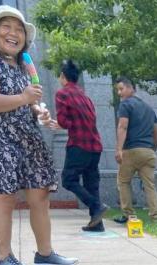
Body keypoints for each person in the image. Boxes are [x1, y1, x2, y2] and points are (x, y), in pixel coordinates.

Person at [0, 6, 78, 265]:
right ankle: (5, 257)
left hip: (28, 138)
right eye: (6, 27)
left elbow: (29, 101)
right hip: (1, 139)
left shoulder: (21, 66)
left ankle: (45, 253)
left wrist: (40, 112)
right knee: (4, 198)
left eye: (19, 29)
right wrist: (24, 98)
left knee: (40, 195)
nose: (13, 33)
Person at [52, 59, 106, 232]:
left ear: (63, 76)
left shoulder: (62, 93)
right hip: (95, 145)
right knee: (92, 183)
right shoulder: (86, 97)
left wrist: (56, 123)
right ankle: (97, 224)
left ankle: (95, 205)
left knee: (68, 180)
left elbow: (63, 121)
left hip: (78, 144)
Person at [113, 76, 157, 224]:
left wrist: (119, 149)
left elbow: (123, 126)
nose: (119, 93)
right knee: (150, 186)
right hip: (148, 151)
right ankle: (155, 218)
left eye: (121, 89)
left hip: (131, 151)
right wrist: (153, 149)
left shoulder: (125, 105)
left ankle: (129, 215)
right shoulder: (148, 109)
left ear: (131, 88)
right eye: (118, 90)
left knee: (123, 182)